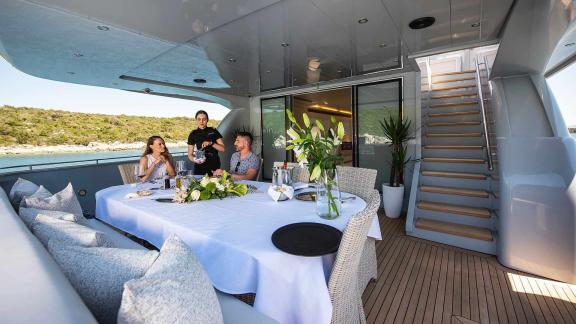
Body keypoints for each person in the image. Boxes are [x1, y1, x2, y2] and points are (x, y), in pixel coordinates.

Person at [187, 110, 225, 176]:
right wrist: (195, 160)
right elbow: (190, 154)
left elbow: (222, 149)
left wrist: (211, 143)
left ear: (207, 120)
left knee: (214, 185)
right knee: (198, 185)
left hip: (214, 163)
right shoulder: (193, 134)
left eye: (204, 119)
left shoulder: (213, 131)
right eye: (199, 119)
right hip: (200, 165)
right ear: (196, 120)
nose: (201, 121)